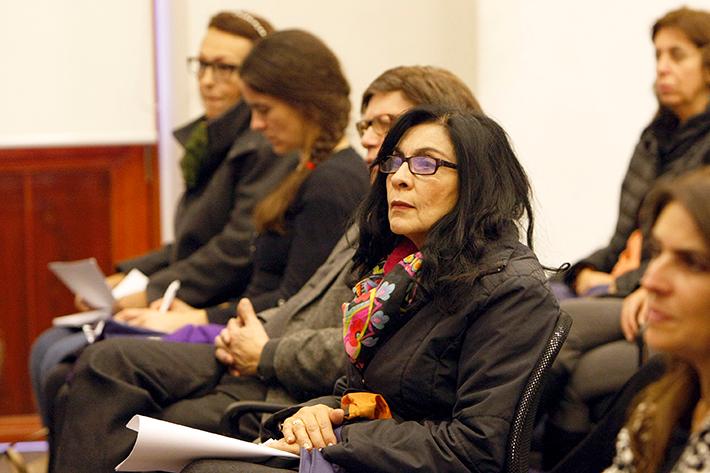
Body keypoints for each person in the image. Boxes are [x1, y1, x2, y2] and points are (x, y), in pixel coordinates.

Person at [48, 29, 370, 473]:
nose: (256, 125)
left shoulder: (333, 183)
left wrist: (201, 319)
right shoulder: (308, 168)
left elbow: (293, 305)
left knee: (101, 366)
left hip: (259, 353)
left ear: (305, 103)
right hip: (244, 337)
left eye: (263, 110)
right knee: (81, 370)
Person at [184, 106, 560, 473]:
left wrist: (341, 437)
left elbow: (476, 449)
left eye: (426, 164)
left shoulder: (511, 291)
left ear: (478, 183)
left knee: (205, 467)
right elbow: (357, 396)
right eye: (395, 162)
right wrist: (315, 414)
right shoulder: (399, 276)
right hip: (366, 456)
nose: (398, 178)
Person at [28, 10, 291, 426]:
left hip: (216, 309)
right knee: (47, 348)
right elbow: (188, 243)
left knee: (61, 356)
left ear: (261, 77)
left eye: (225, 68)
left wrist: (147, 290)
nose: (207, 80)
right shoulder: (213, 139)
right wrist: (125, 275)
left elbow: (233, 250)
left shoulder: (265, 147)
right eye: (202, 64)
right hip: (186, 297)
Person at [543, 7, 710, 467]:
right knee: (541, 305)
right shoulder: (653, 139)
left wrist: (621, 283)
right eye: (658, 55)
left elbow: (684, 256)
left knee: (558, 327)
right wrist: (583, 270)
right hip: (630, 286)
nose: (663, 68)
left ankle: (492, 449)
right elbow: (622, 239)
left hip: (650, 294)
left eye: (677, 55)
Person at [553, 167, 710, 473]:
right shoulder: (664, 397)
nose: (651, 280)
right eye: (656, 252)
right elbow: (618, 244)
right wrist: (584, 269)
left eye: (692, 263)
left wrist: (617, 285)